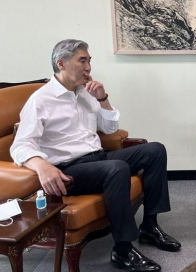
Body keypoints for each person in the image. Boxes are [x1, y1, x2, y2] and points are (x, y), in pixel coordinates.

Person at [11, 39, 180, 272]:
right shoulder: (40, 100)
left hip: (98, 158)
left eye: (89, 61)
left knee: (155, 150)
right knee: (117, 168)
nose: (88, 67)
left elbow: (110, 129)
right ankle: (122, 251)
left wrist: (102, 98)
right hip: (70, 170)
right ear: (61, 64)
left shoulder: (86, 92)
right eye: (82, 61)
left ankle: (150, 227)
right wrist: (41, 165)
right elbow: (20, 146)